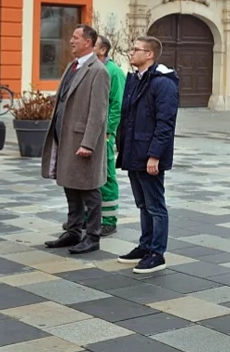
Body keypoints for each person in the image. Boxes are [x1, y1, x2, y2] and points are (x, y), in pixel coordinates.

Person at [41, 24, 111, 255]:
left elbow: (98, 112)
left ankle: (92, 236)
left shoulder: (98, 71)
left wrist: (88, 143)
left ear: (88, 42)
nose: (71, 40)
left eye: (76, 37)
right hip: (66, 137)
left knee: (89, 190)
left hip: (82, 140)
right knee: (70, 185)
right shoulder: (73, 66)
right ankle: (73, 231)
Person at [116, 36, 179, 274]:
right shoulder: (136, 79)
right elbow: (130, 118)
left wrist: (155, 156)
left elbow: (165, 123)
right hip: (134, 151)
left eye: (136, 49)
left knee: (155, 205)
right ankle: (145, 246)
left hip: (148, 155)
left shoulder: (163, 83)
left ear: (149, 54)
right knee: (143, 204)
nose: (131, 53)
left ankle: (157, 253)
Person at [69, 35, 126, 236]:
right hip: (87, 132)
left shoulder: (113, 72)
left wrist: (109, 131)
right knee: (86, 176)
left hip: (104, 134)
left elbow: (117, 105)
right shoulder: (87, 68)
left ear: (101, 50)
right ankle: (86, 218)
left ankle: (109, 220)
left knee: (106, 175)